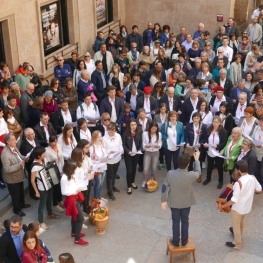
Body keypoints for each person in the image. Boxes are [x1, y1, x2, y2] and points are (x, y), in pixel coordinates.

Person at [217, 160, 262, 249]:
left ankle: (237, 244)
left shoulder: (239, 183)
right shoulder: (252, 177)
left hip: (238, 208)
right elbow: (259, 189)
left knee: (236, 225)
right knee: (241, 221)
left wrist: (222, 206)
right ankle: (239, 236)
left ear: (238, 170)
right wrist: (250, 190)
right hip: (247, 206)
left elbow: (234, 200)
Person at [161, 151, 201, 247]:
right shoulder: (191, 175)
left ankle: (175, 241)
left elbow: (164, 187)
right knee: (185, 221)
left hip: (174, 202)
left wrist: (163, 200)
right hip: (187, 202)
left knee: (175, 221)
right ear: (188, 164)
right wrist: (196, 159)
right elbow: (198, 172)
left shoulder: (170, 173)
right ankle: (184, 240)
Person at [31, 146, 60, 230]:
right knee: (42, 204)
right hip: (42, 187)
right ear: (39, 156)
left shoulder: (44, 160)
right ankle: (41, 221)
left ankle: (50, 214)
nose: (45, 154)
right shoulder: (35, 166)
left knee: (49, 200)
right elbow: (32, 180)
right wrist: (36, 191)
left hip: (49, 184)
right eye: (43, 153)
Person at [61, 159, 89, 246]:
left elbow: (73, 185)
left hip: (75, 196)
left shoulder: (71, 175)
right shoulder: (64, 178)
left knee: (75, 216)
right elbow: (64, 192)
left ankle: (74, 232)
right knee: (80, 218)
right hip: (71, 198)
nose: (75, 170)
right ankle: (77, 239)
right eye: (74, 168)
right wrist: (75, 190)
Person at [1, 133, 30, 216]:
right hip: (12, 178)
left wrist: (25, 158)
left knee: (21, 191)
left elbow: (20, 156)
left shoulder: (14, 147)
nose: (15, 141)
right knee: (15, 195)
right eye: (13, 140)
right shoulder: (5, 154)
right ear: (8, 142)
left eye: (14, 139)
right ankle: (17, 209)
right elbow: (7, 169)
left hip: (19, 175)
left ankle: (22, 204)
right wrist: (19, 165)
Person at [203, 116, 228, 189]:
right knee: (209, 165)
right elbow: (206, 139)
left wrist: (217, 146)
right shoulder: (209, 129)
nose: (214, 123)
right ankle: (208, 178)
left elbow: (224, 142)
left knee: (219, 167)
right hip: (210, 151)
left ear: (220, 123)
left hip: (218, 152)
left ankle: (220, 181)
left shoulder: (223, 131)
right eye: (214, 121)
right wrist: (205, 143)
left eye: (217, 122)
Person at [103, 123, 123, 200]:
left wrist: (122, 150)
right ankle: (109, 191)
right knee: (110, 175)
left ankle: (113, 186)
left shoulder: (118, 136)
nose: (112, 133)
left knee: (114, 174)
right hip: (109, 160)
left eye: (113, 131)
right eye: (110, 132)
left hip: (117, 158)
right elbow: (103, 149)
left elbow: (120, 145)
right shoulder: (104, 138)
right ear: (107, 130)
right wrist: (109, 151)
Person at [122, 118, 143, 195]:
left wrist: (140, 149)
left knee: (134, 169)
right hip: (129, 155)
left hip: (136, 153)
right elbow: (123, 144)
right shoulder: (125, 133)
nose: (134, 126)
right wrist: (128, 151)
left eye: (135, 124)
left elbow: (141, 142)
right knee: (129, 170)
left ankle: (132, 182)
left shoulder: (139, 132)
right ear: (129, 126)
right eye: (132, 125)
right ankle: (129, 186)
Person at [45, 135, 65, 214]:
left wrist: (63, 169)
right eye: (52, 142)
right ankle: (55, 204)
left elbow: (62, 158)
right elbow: (48, 163)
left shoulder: (59, 146)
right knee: (55, 187)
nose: (54, 143)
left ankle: (60, 201)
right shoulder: (47, 150)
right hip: (52, 170)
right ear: (49, 142)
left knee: (60, 186)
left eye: (55, 141)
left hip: (60, 168)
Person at [70, 148, 90, 222]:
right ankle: (77, 221)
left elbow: (82, 173)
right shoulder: (74, 166)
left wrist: (87, 172)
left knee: (80, 204)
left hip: (83, 186)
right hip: (79, 188)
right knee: (77, 206)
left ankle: (80, 217)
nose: (84, 155)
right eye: (82, 154)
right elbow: (75, 179)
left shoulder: (79, 163)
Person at [75, 139, 94, 214]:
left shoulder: (87, 154)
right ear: (81, 147)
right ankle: (82, 210)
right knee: (83, 194)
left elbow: (90, 162)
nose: (88, 149)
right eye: (86, 147)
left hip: (89, 176)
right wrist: (87, 170)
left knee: (88, 192)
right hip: (83, 178)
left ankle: (86, 206)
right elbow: (79, 169)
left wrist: (92, 167)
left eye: (88, 147)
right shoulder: (78, 155)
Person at [142, 122, 162, 187]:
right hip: (147, 152)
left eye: (155, 129)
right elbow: (143, 144)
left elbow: (160, 143)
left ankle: (153, 180)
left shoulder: (159, 134)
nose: (153, 131)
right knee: (145, 169)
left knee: (154, 168)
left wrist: (159, 146)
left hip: (155, 152)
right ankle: (145, 180)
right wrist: (146, 146)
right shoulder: (145, 134)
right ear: (150, 128)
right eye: (152, 129)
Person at [89, 131, 108, 199]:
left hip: (103, 166)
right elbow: (91, 159)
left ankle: (99, 196)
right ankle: (96, 197)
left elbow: (105, 153)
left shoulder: (102, 144)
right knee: (98, 183)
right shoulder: (92, 147)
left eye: (101, 136)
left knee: (101, 183)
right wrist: (97, 160)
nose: (100, 138)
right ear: (94, 138)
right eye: (98, 137)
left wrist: (106, 157)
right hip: (97, 167)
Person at [251, 115, 263, 186]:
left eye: (262, 121)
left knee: (262, 171)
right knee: (256, 170)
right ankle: (258, 184)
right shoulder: (256, 127)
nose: (260, 123)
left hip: (262, 153)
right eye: (260, 121)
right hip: (255, 151)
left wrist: (262, 145)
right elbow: (253, 137)